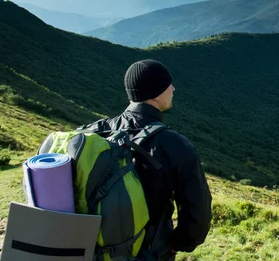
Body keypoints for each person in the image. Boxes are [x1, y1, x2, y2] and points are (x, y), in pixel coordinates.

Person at [88, 59, 212, 260]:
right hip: (149, 251)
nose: (173, 88)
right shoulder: (174, 144)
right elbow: (198, 212)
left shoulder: (98, 131)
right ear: (156, 93)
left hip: (95, 249)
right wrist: (179, 243)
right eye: (167, 85)